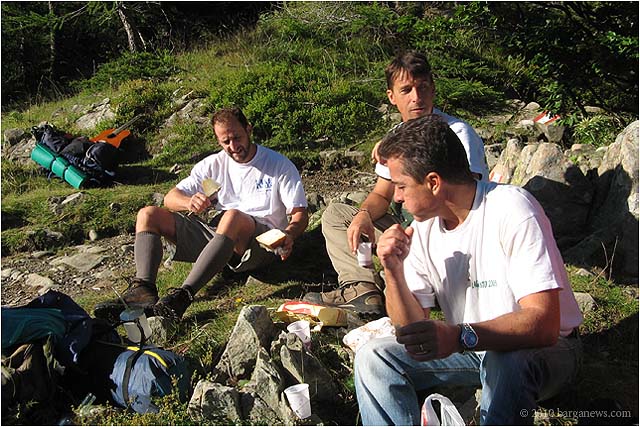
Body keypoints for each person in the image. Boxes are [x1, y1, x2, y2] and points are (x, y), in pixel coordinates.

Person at [354, 114, 583, 425]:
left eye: (401, 185)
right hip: (473, 348)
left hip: (545, 350)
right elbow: (411, 331)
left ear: (433, 183)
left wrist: (459, 336)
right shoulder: (422, 228)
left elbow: (544, 324)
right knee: (373, 358)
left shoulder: (512, 208)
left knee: (508, 360)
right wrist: (393, 271)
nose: (396, 196)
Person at [303, 51, 488, 315]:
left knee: (402, 287)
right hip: (407, 225)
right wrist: (364, 215)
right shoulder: (396, 136)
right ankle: (361, 288)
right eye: (407, 90)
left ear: (433, 89)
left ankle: (416, 281)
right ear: (392, 97)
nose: (417, 97)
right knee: (337, 214)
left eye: (423, 87)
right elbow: (382, 194)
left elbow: (464, 198)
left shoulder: (456, 133)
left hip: (445, 231)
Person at [95, 107, 309, 322]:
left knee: (232, 216)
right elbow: (170, 198)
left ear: (249, 130)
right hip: (220, 234)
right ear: (218, 141)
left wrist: (289, 234)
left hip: (259, 243)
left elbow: (299, 214)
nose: (233, 146)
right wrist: (189, 202)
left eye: (237, 138)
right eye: (226, 142)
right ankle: (143, 290)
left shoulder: (277, 165)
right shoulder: (214, 166)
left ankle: (183, 296)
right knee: (148, 214)